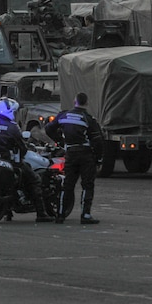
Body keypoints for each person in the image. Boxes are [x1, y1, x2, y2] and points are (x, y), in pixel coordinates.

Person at [0, 98, 51, 223]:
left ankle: (7, 213)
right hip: (11, 162)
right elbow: (22, 148)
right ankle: (41, 213)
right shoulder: (12, 127)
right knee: (35, 179)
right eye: (14, 111)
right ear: (9, 111)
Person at [46, 92, 105, 225]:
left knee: (67, 185)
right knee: (87, 185)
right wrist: (99, 159)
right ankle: (85, 215)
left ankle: (60, 215)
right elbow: (98, 140)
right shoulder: (88, 119)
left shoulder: (63, 115)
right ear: (86, 103)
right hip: (85, 155)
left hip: (71, 153)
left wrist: (61, 141)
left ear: (74, 102)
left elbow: (49, 128)